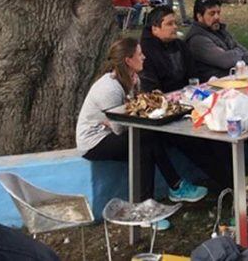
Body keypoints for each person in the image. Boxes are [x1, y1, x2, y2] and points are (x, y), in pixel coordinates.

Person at [77, 38, 208, 230]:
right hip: (94, 141)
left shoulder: (132, 79)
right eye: (140, 54)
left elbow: (133, 114)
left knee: (148, 139)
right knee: (143, 143)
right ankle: (153, 206)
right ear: (128, 60)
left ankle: (167, 193)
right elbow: (120, 128)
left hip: (111, 132)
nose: (144, 57)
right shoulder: (109, 88)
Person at [185, 0, 248, 83]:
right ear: (199, 16)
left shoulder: (219, 30)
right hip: (214, 86)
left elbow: (247, 54)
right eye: (212, 14)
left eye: (218, 12)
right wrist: (238, 52)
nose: (217, 17)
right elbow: (226, 61)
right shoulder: (197, 39)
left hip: (234, 79)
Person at [139, 6, 197, 93]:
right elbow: (150, 87)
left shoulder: (180, 45)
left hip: (188, 94)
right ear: (155, 29)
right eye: (169, 24)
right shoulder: (144, 52)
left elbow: (193, 74)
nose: (175, 27)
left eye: (175, 23)